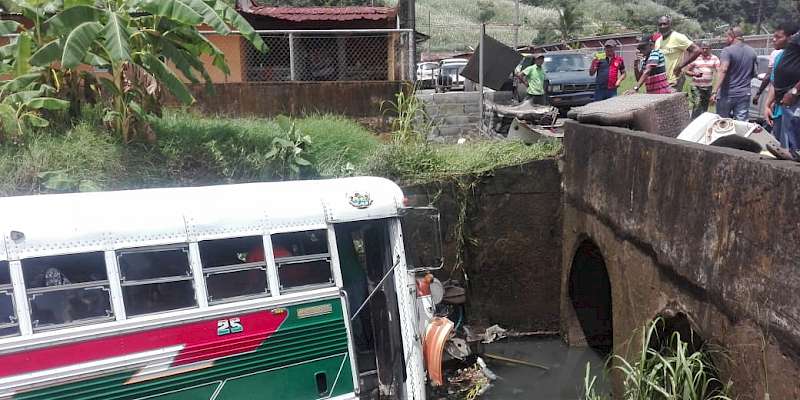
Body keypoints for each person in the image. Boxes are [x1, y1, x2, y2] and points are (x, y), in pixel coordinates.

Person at [762, 23, 799, 148]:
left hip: (794, 100)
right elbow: (775, 81)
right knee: (784, 144)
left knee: (793, 145)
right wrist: (768, 104)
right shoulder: (780, 56)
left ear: (790, 37)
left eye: (778, 37)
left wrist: (794, 91)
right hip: (781, 104)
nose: (774, 40)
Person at [712, 27, 757, 121]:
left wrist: (714, 91)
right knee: (742, 124)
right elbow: (753, 74)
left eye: (726, 37)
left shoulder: (727, 50)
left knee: (722, 123)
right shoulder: (752, 51)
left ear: (732, 36)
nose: (725, 39)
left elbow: (723, 70)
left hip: (727, 94)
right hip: (744, 94)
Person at [655, 15, 702, 91]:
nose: (662, 26)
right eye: (660, 24)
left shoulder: (678, 37)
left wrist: (680, 66)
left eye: (665, 24)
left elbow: (697, 50)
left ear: (670, 25)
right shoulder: (658, 41)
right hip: (661, 82)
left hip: (674, 80)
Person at [684, 41, 720, 118]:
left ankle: (702, 121)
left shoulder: (714, 58)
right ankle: (693, 121)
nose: (704, 50)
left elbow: (719, 71)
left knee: (705, 107)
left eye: (706, 49)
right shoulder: (696, 58)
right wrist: (694, 74)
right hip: (696, 86)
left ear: (710, 49)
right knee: (697, 105)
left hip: (708, 87)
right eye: (702, 48)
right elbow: (686, 71)